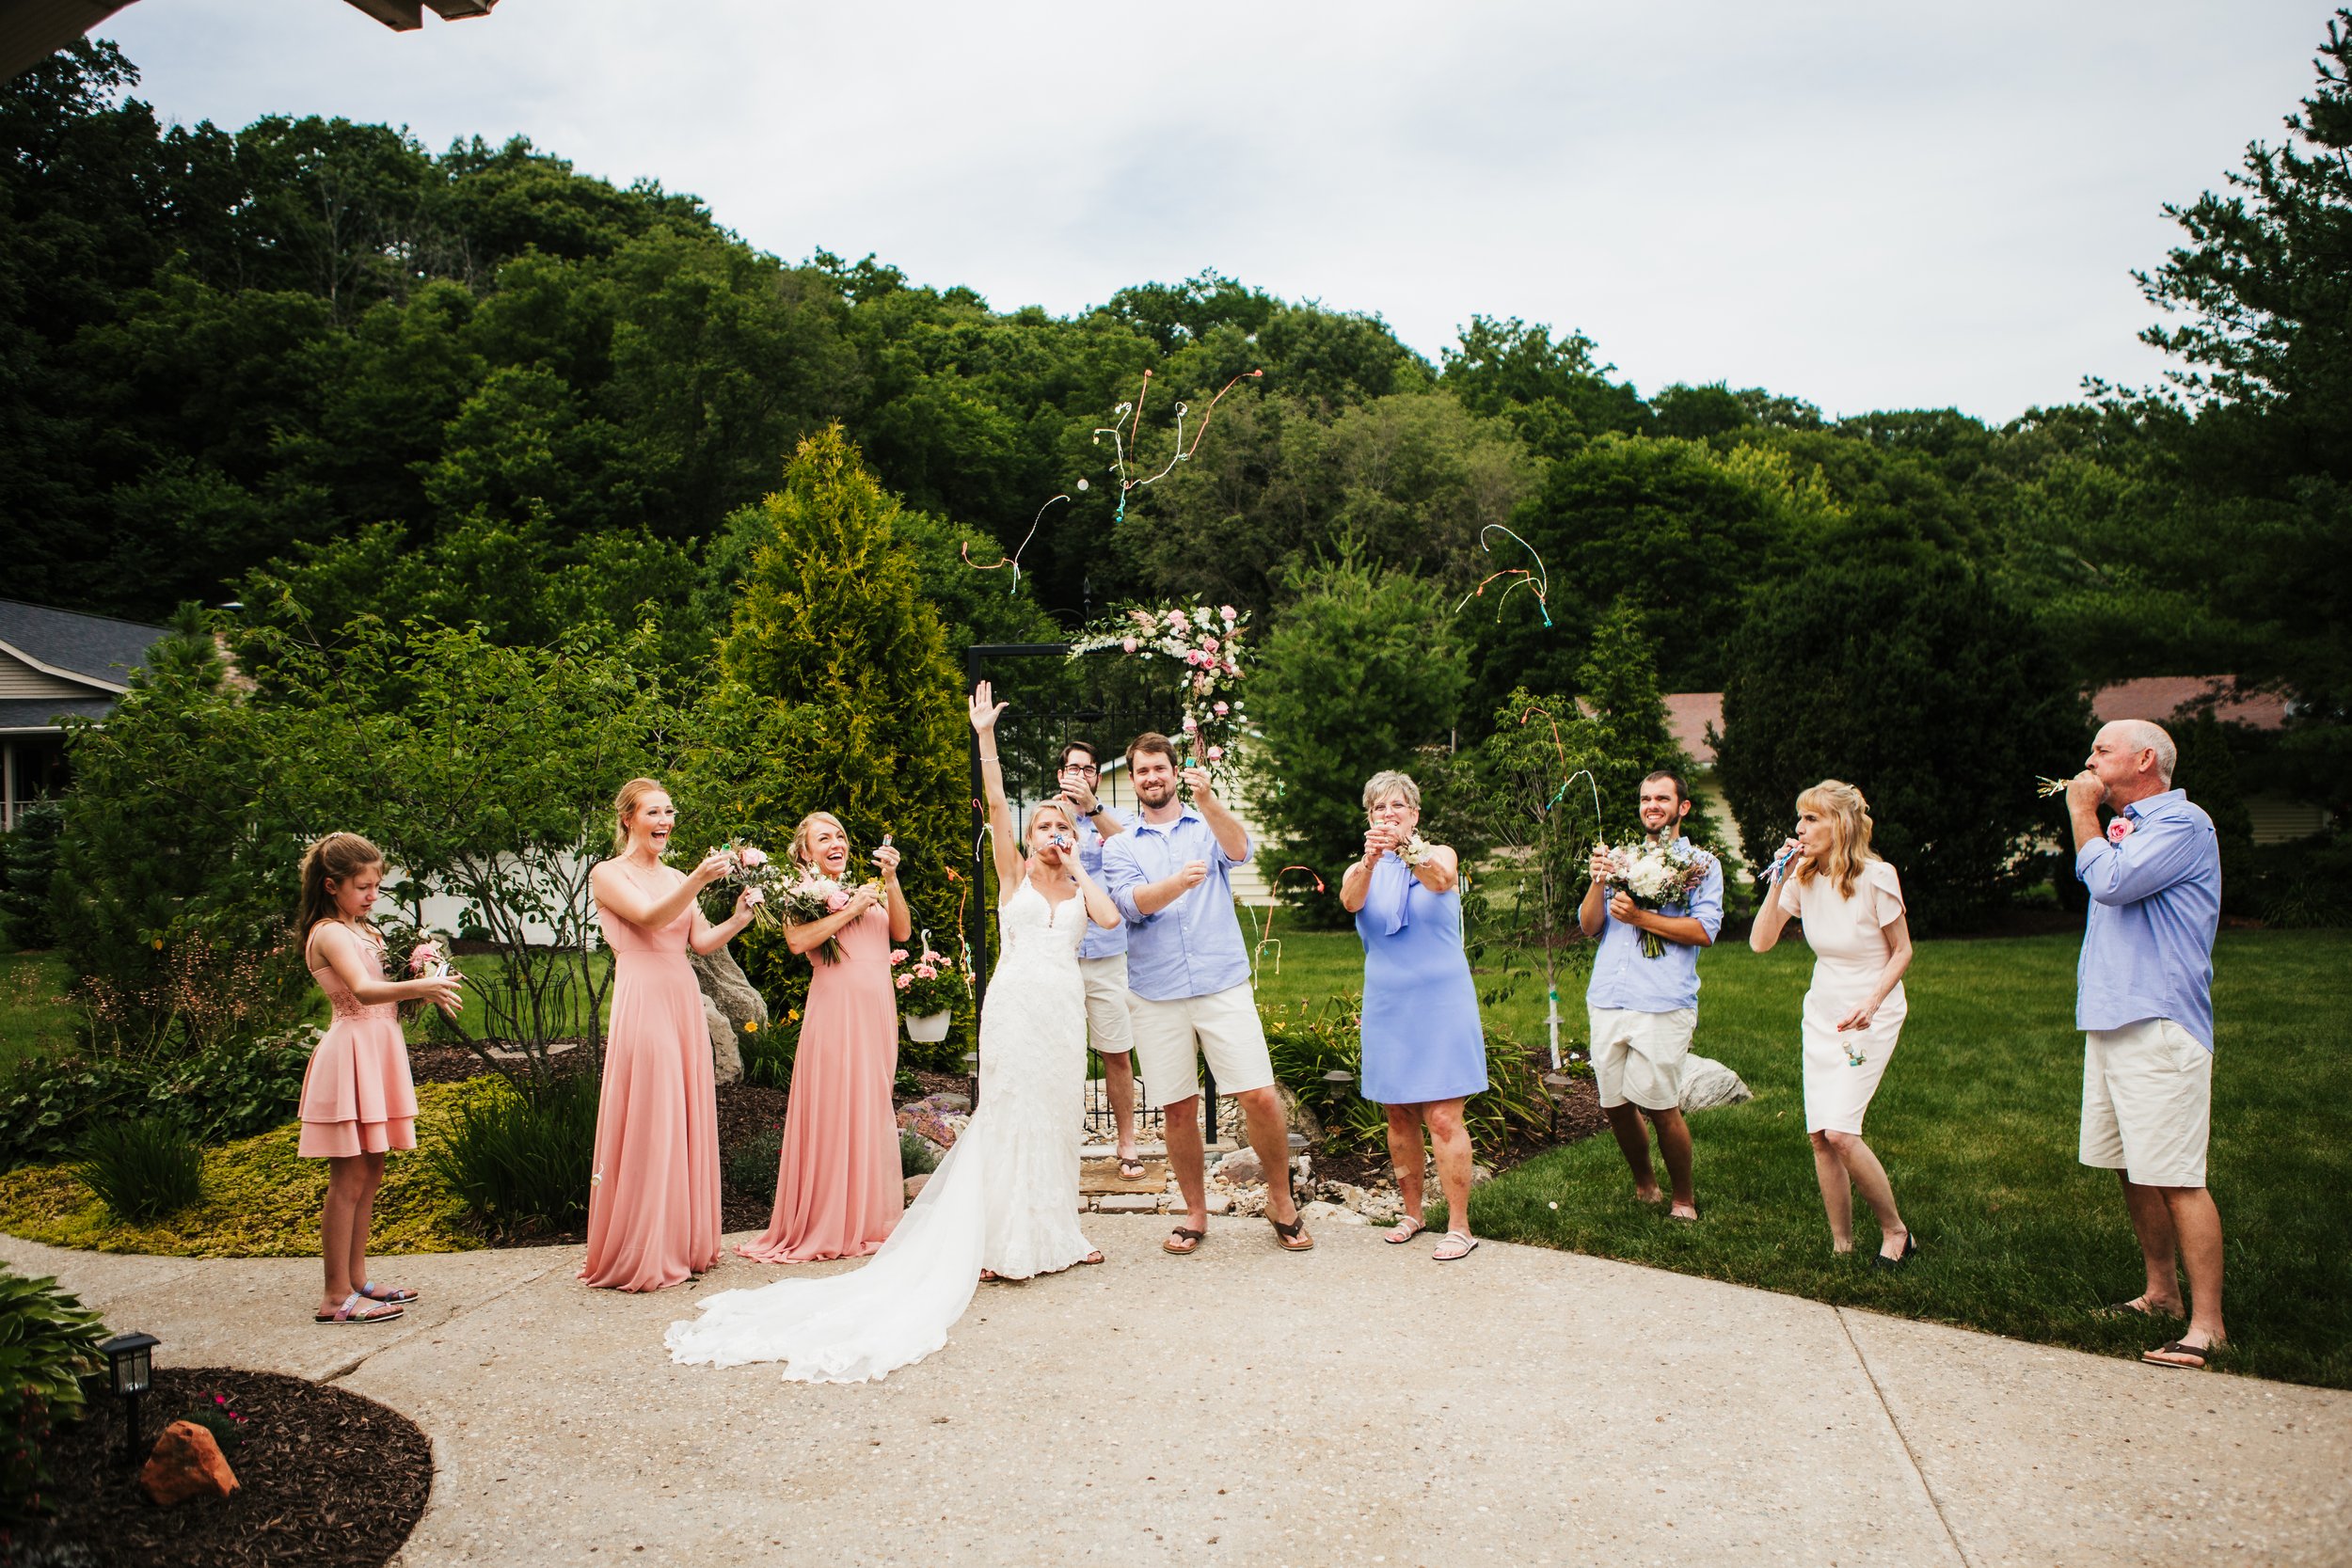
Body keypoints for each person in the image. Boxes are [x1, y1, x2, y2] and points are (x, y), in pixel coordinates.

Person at [666, 683, 1119, 1382]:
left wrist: (1080, 859)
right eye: (1042, 828)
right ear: (1027, 837)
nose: (1050, 836)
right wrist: (986, 739)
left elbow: (1111, 919)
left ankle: (1057, 1231)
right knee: (1009, 1115)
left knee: (1056, 1117)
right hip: (1016, 1010)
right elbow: (997, 803)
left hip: (1062, 1011)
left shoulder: (1078, 883)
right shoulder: (1012, 874)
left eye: (1060, 828)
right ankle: (999, 1237)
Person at [1100, 733, 1311, 1256]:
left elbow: (1240, 851)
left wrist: (1209, 801)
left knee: (1259, 1095)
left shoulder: (1205, 823)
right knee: (1178, 1108)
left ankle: (1281, 1202)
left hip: (1221, 983)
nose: (1152, 777)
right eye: (1142, 771)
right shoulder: (1121, 845)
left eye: (1159, 768)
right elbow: (1130, 906)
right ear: (1133, 780)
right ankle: (1195, 1214)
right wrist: (1176, 884)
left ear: (1175, 772)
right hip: (1156, 991)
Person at [2066, 719, 2227, 1370]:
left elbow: (2108, 881)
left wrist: (2083, 813)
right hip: (2113, 1022)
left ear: (2145, 758)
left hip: (2159, 1023)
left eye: (2102, 750)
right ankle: (2161, 1291)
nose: (2089, 760)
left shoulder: (2183, 825)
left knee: (2178, 1175)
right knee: (2132, 1166)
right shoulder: (2131, 827)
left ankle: (2208, 1324)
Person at [580, 779, 760, 1291]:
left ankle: (683, 1241)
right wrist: (700, 880)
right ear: (628, 819)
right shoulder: (607, 874)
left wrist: (739, 918)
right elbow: (647, 916)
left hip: (680, 993)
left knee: (681, 1109)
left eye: (669, 811)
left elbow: (700, 943)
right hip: (643, 994)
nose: (665, 820)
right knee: (652, 1110)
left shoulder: (678, 874)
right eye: (654, 812)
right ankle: (644, 1246)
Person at [1747, 781, 1916, 1265]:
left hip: (1869, 1013)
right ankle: (1842, 1244)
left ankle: (1896, 1231)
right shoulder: (1803, 878)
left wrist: (1873, 1001)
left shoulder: (1878, 876)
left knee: (1842, 1131)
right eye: (1800, 819)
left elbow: (1902, 950)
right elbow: (1760, 943)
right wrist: (1779, 879)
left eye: (1812, 819)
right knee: (1820, 1134)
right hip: (1822, 1013)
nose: (1800, 829)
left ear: (1840, 824)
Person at [295, 832, 462, 1325]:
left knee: (371, 1173)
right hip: (351, 1054)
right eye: (363, 886)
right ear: (331, 886)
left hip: (380, 1050)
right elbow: (366, 990)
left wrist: (419, 975)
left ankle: (357, 1279)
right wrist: (424, 983)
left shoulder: (366, 932)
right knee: (347, 1179)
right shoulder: (328, 933)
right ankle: (333, 1296)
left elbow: (388, 996)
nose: (372, 895)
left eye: (376, 885)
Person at [735, 808, 913, 1264]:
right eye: (823, 838)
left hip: (876, 1012)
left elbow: (902, 931)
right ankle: (829, 1220)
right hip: (835, 1013)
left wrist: (890, 880)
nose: (836, 843)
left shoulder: (866, 889)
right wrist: (850, 909)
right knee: (836, 1108)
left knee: (871, 1107)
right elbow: (798, 942)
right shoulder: (800, 894)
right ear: (805, 852)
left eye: (839, 835)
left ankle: (868, 1218)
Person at [1340, 770, 1488, 1262]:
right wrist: (1370, 860)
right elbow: (1350, 901)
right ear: (1368, 817)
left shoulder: (1439, 854)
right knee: (1398, 1113)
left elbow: (1440, 878)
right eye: (1380, 808)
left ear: (1415, 815)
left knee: (1444, 1116)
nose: (1389, 815)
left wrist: (1405, 848)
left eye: (1398, 806)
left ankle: (1460, 1226)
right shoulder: (1361, 868)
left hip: (1442, 1003)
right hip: (1388, 1005)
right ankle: (1412, 1212)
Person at [1578, 769, 1724, 1221]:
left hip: (1662, 1001)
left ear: (1682, 807)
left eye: (1662, 798)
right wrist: (1599, 881)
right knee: (1614, 1105)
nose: (1651, 806)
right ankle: (1646, 1185)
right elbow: (1589, 927)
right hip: (1607, 997)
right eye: (1645, 798)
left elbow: (1703, 930)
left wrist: (1642, 918)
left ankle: (1684, 1198)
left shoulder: (1700, 864)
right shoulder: (1620, 860)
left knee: (1661, 1105)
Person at [1055, 738, 1146, 1178]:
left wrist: (1091, 809)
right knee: (1058, 1051)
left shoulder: (1115, 817)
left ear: (1096, 775)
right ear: (1060, 774)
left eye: (1089, 768)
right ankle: (1060, 1140)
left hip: (1109, 952)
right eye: (1074, 767)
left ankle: (1126, 1142)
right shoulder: (1047, 817)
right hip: (1061, 954)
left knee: (1117, 1051)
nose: (1082, 775)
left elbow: (1133, 847)